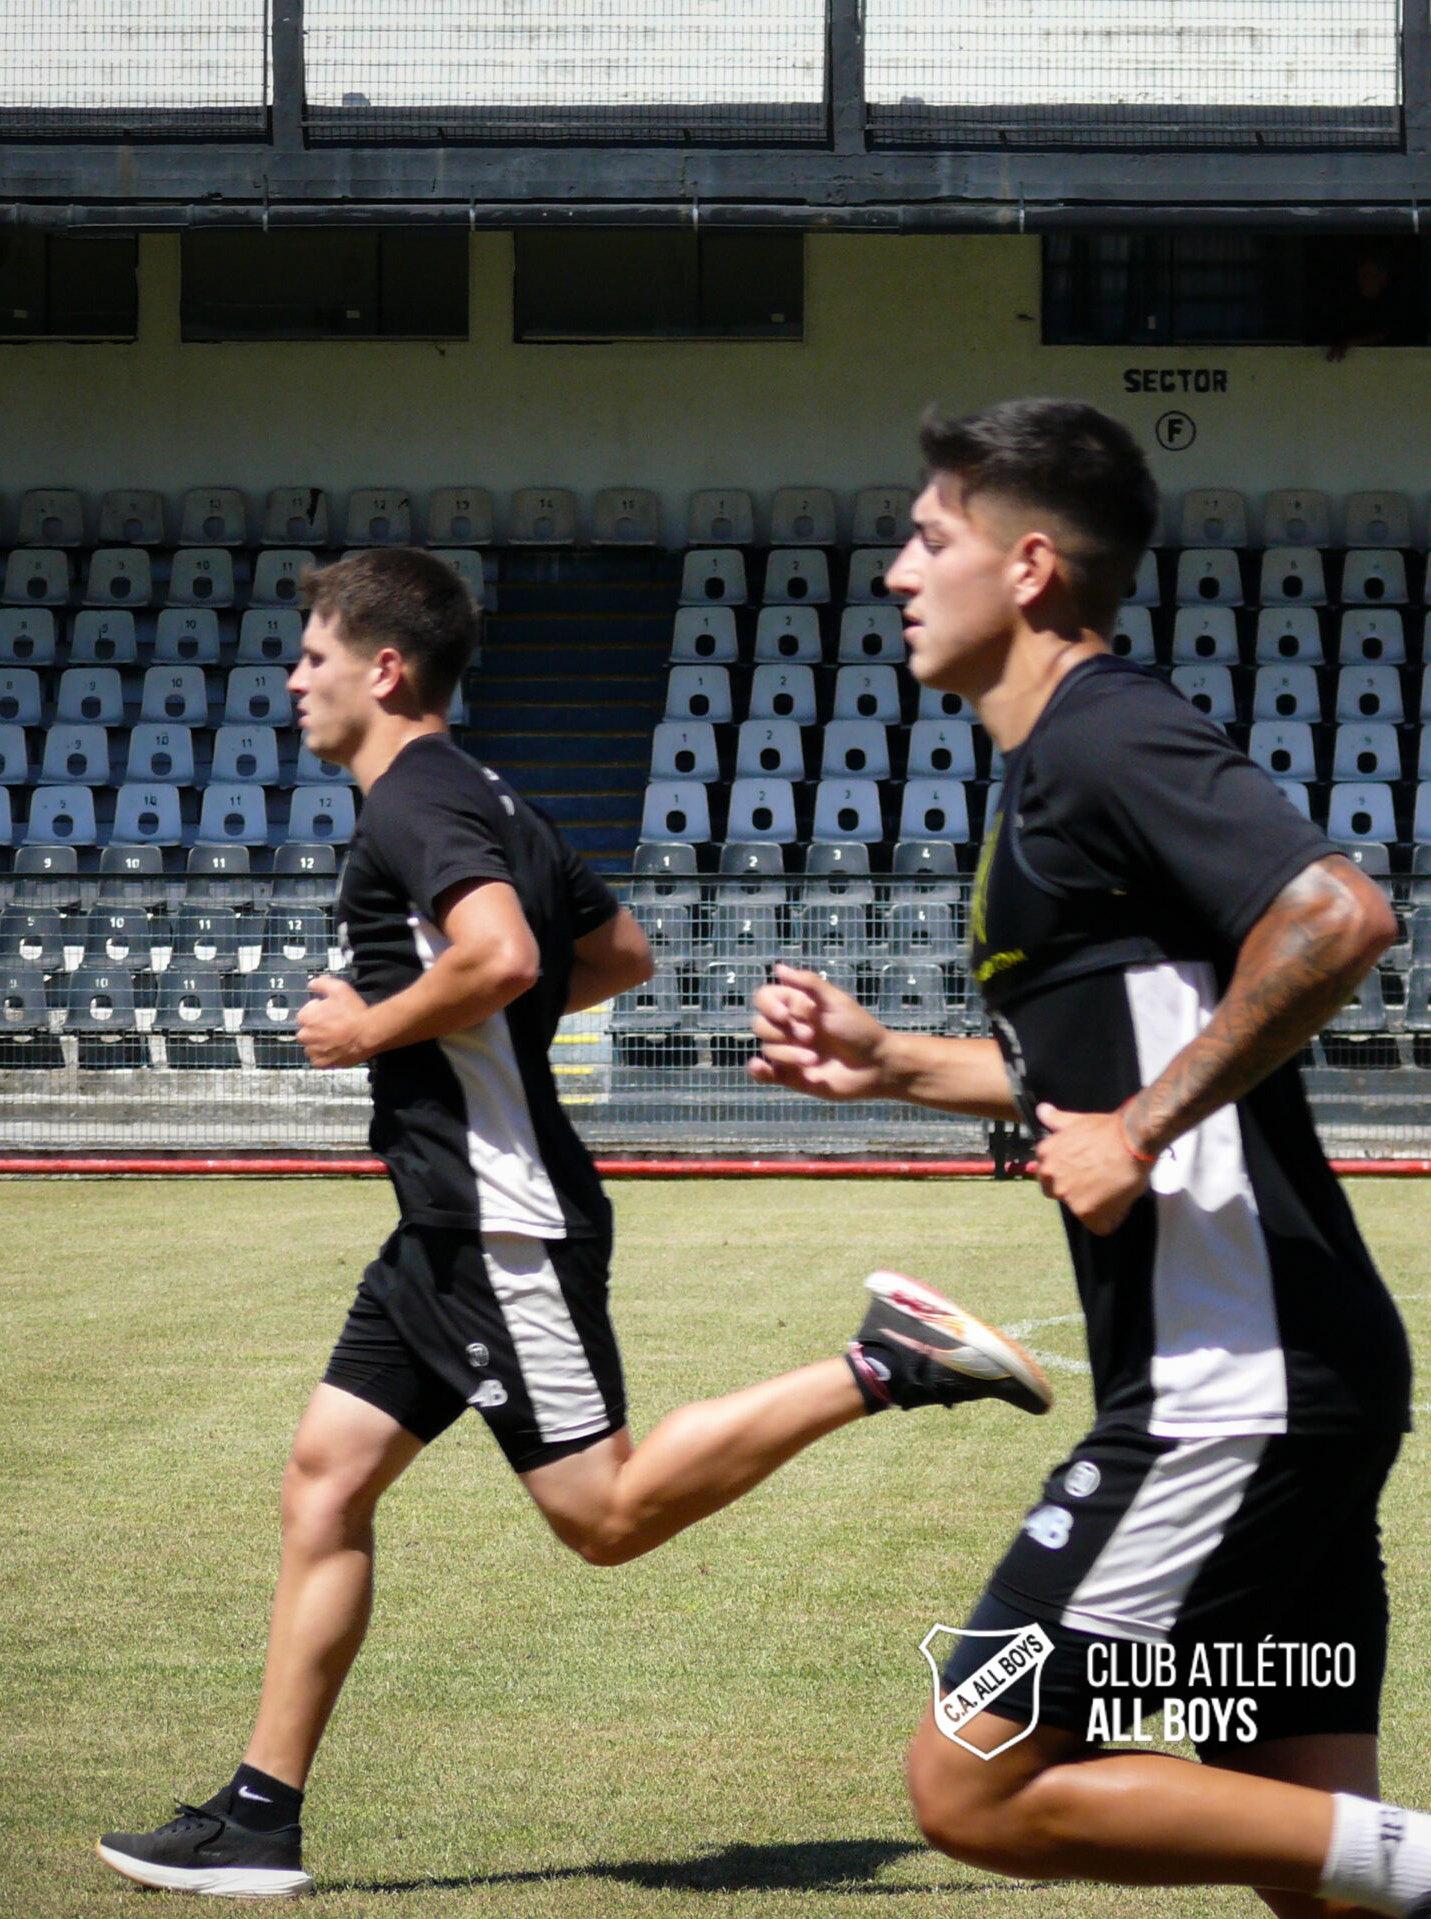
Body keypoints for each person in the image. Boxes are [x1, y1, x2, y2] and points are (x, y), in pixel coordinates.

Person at [98, 547, 1052, 1898]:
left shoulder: (414, 806)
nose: (293, 677)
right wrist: (476, 1046)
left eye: (312, 653)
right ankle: (260, 1814)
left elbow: (508, 957)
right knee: (325, 1478)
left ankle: (889, 1361)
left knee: (602, 1516)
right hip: (443, 1227)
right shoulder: (485, 795)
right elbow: (621, 957)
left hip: (500, 1223)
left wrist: (368, 1029)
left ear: (384, 668)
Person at [752, 399, 1431, 1919]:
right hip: (1289, 1383)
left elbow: (1339, 917)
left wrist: (1139, 1132)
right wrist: (893, 1066)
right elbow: (1093, 1066)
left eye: (929, 539)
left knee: (970, 1778)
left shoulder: (1104, 734)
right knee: (1316, 1865)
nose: (892, 573)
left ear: (1032, 568)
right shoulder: (1055, 771)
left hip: (1231, 1393)